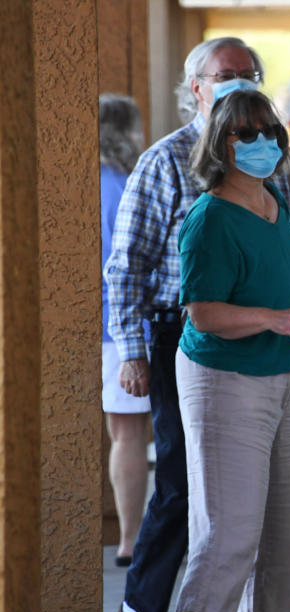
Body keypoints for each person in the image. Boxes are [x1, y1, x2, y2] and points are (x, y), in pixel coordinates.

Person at [104, 37, 290, 612]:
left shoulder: (270, 177)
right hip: (186, 335)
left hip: (272, 346)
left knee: (272, 510)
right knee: (182, 486)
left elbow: (285, 261)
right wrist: (133, 350)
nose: (238, 82)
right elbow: (129, 266)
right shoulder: (166, 163)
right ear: (195, 85)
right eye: (227, 76)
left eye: (249, 75)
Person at [163, 88, 290, 612]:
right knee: (230, 524)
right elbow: (204, 313)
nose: (261, 145)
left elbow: (288, 278)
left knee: (287, 526)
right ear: (220, 145)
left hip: (284, 376)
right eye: (245, 135)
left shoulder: (274, 198)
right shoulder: (209, 218)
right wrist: (273, 320)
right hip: (225, 378)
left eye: (269, 133)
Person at [100, 93, 150, 568]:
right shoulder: (135, 178)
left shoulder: (81, 182)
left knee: (127, 436)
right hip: (144, 323)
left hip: (106, 330)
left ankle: (129, 539)